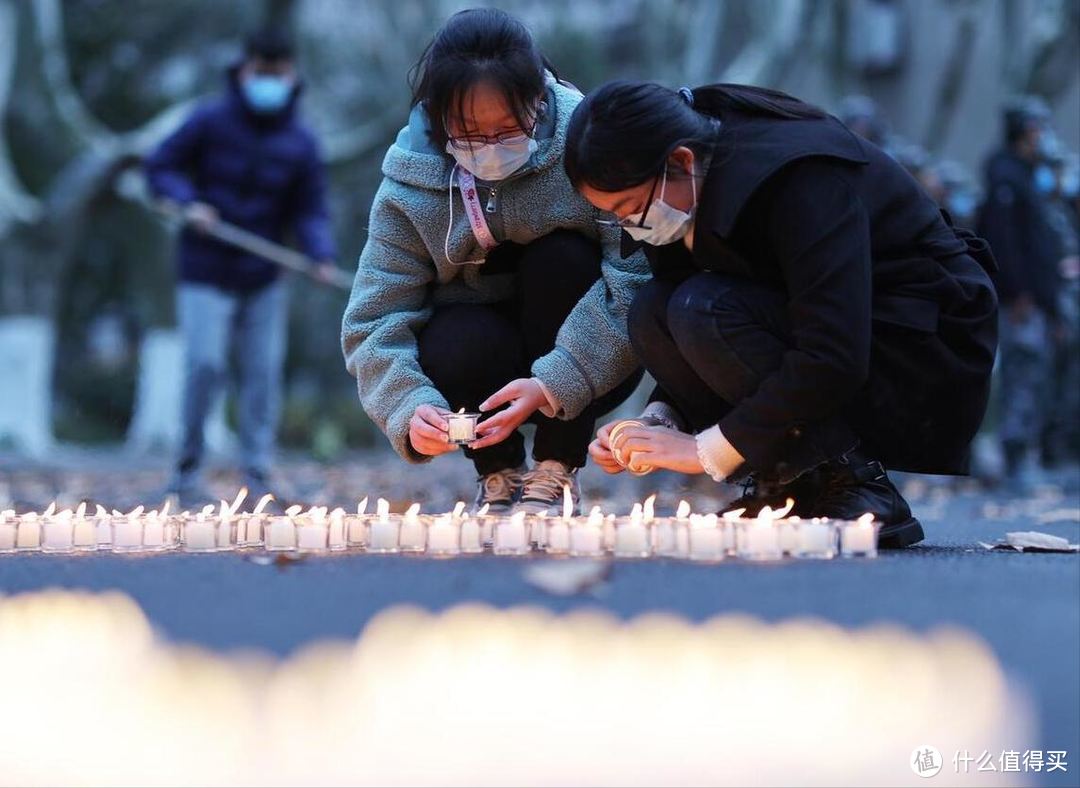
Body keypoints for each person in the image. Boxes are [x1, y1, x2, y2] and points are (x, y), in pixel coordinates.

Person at [564, 81, 999, 547]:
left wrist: (705, 450)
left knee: (703, 308)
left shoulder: (798, 178)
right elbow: (677, 319)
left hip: (922, 344)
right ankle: (791, 484)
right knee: (653, 308)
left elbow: (833, 350)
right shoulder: (688, 188)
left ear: (682, 161)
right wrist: (658, 424)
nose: (633, 227)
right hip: (836, 336)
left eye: (631, 209)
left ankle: (856, 483)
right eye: (615, 216)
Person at [340, 9, 646, 515]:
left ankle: (556, 463)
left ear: (539, 99)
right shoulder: (409, 185)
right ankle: (498, 469)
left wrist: (559, 378)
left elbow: (633, 278)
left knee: (563, 260)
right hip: (476, 358)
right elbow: (374, 318)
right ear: (437, 119)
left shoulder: (588, 144)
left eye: (507, 130)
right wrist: (407, 405)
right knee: (454, 334)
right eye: (468, 134)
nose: (489, 150)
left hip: (586, 356)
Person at [146, 27, 338, 509]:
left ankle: (258, 472)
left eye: (278, 74)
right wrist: (188, 203)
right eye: (261, 73)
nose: (269, 82)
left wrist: (318, 252)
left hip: (263, 275)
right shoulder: (209, 121)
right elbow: (159, 168)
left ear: (291, 76)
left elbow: (310, 209)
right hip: (205, 267)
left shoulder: (302, 142)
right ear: (244, 69)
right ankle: (186, 473)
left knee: (261, 374)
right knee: (205, 365)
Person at [976, 98, 1063, 489]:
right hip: (1020, 301)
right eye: (1034, 131)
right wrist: (1019, 291)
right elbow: (1005, 241)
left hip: (1037, 299)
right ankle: (1015, 463)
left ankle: (1026, 457)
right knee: (1022, 375)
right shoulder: (1006, 179)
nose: (1040, 138)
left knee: (1036, 376)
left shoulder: (1028, 177)